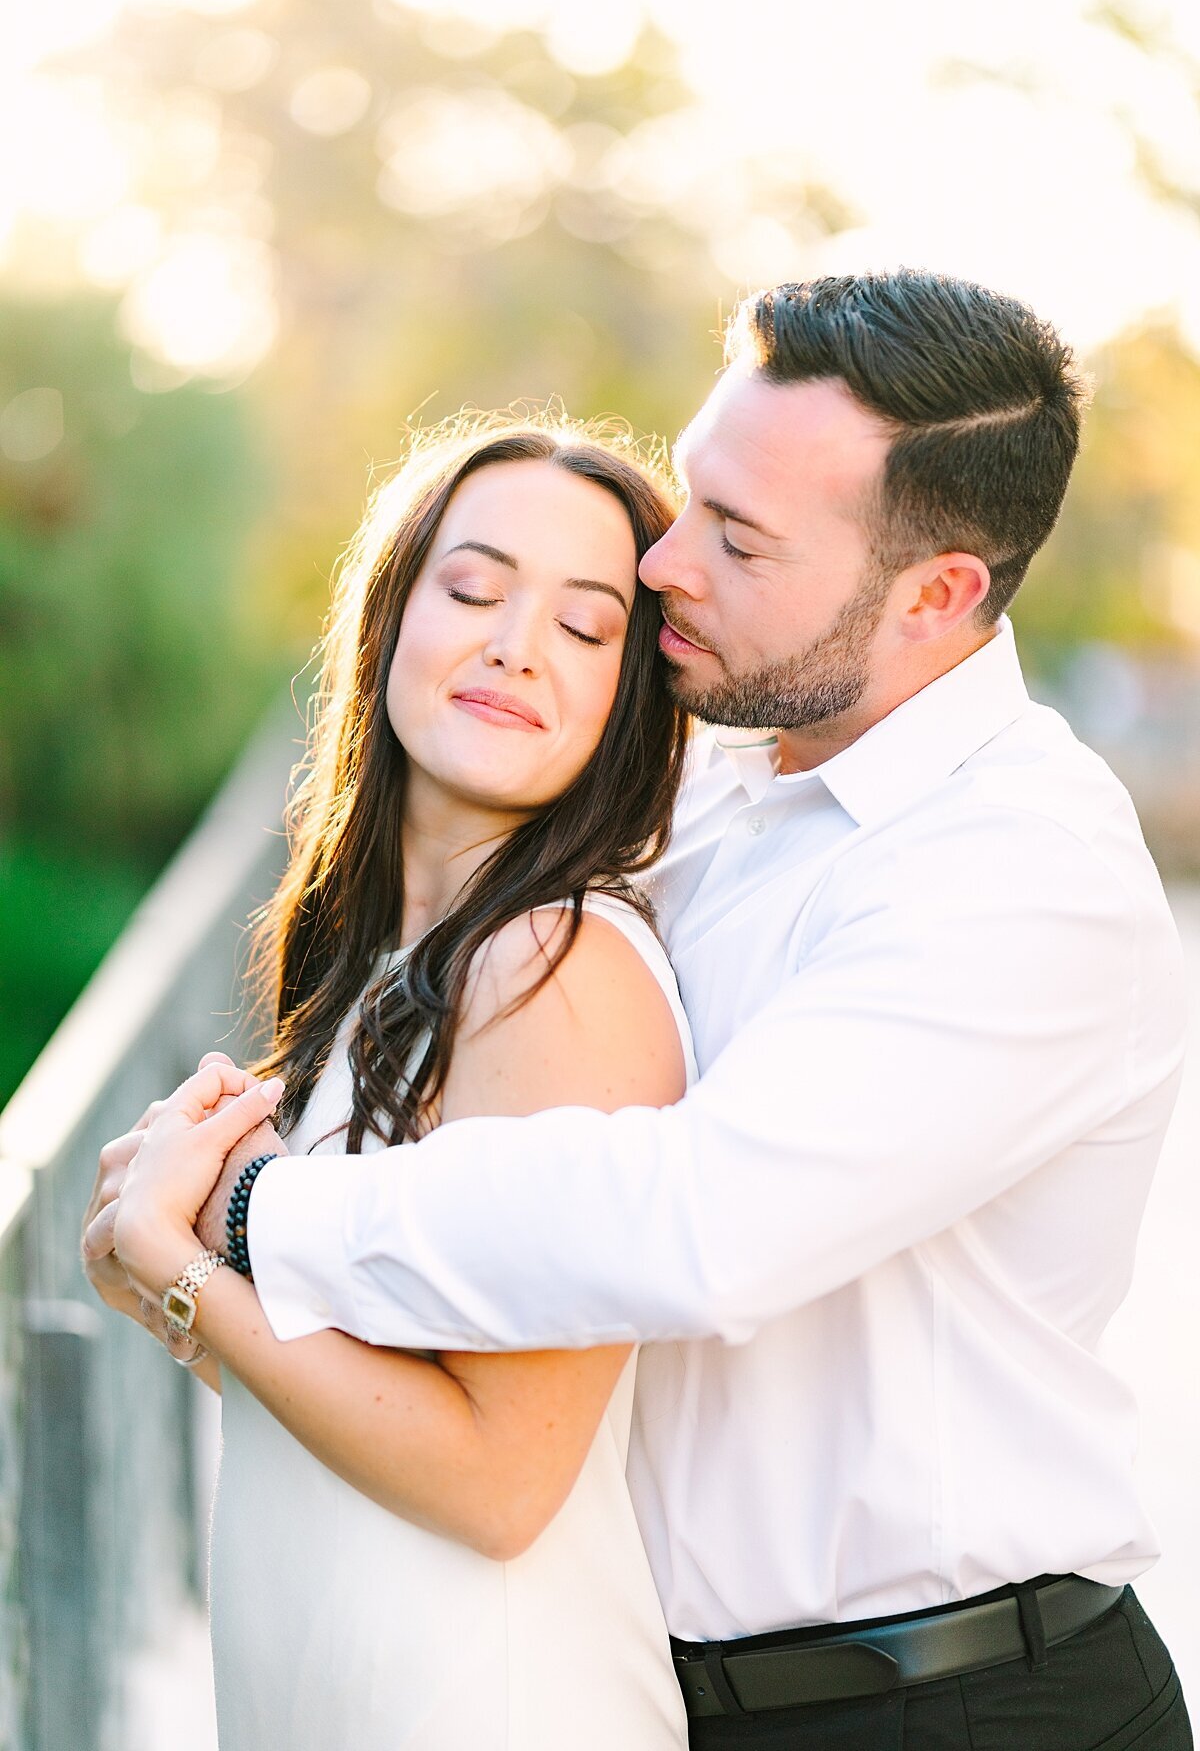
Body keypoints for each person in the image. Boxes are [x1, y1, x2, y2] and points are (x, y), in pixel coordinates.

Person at [95, 270, 1190, 1751]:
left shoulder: (1014, 872)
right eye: (692, 498)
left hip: (950, 1704)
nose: (666, 562)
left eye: (736, 539)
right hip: (672, 1687)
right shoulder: (717, 786)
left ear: (936, 595)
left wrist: (245, 1228)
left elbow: (696, 1229)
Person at [83, 415, 697, 1750]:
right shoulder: (396, 965)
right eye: (473, 589)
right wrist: (169, 1290)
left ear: (626, 703)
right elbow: (380, 1392)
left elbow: (499, 1480)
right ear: (390, 615)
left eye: (585, 630)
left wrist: (188, 1267)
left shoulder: (560, 961)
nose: (514, 645)